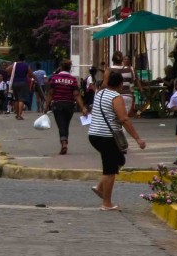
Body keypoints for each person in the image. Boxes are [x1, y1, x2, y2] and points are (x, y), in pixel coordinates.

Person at [89, 70, 146, 210]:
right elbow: (124, 119)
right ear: (120, 84)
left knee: (119, 160)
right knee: (110, 170)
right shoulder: (116, 97)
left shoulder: (99, 93)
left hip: (94, 135)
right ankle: (106, 203)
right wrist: (138, 139)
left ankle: (99, 187)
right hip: (106, 137)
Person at [44, 59, 87, 155]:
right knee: (65, 124)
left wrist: (46, 106)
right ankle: (65, 141)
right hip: (69, 105)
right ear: (70, 68)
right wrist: (83, 108)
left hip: (57, 105)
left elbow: (50, 93)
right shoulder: (73, 79)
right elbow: (76, 94)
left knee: (61, 124)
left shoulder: (55, 78)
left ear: (61, 67)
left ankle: (63, 143)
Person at [109, 51, 139, 117]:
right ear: (122, 60)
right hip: (127, 95)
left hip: (115, 96)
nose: (126, 60)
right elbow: (131, 82)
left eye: (127, 59)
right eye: (125, 59)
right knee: (124, 116)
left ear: (113, 60)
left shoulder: (110, 70)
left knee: (117, 117)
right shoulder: (129, 70)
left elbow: (106, 84)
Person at [7, 54, 33, 120]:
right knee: (21, 99)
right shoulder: (26, 65)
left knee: (16, 99)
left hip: (14, 83)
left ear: (18, 58)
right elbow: (31, 74)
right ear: (24, 59)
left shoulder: (14, 64)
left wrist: (12, 73)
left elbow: (7, 69)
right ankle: (19, 116)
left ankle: (17, 115)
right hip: (23, 83)